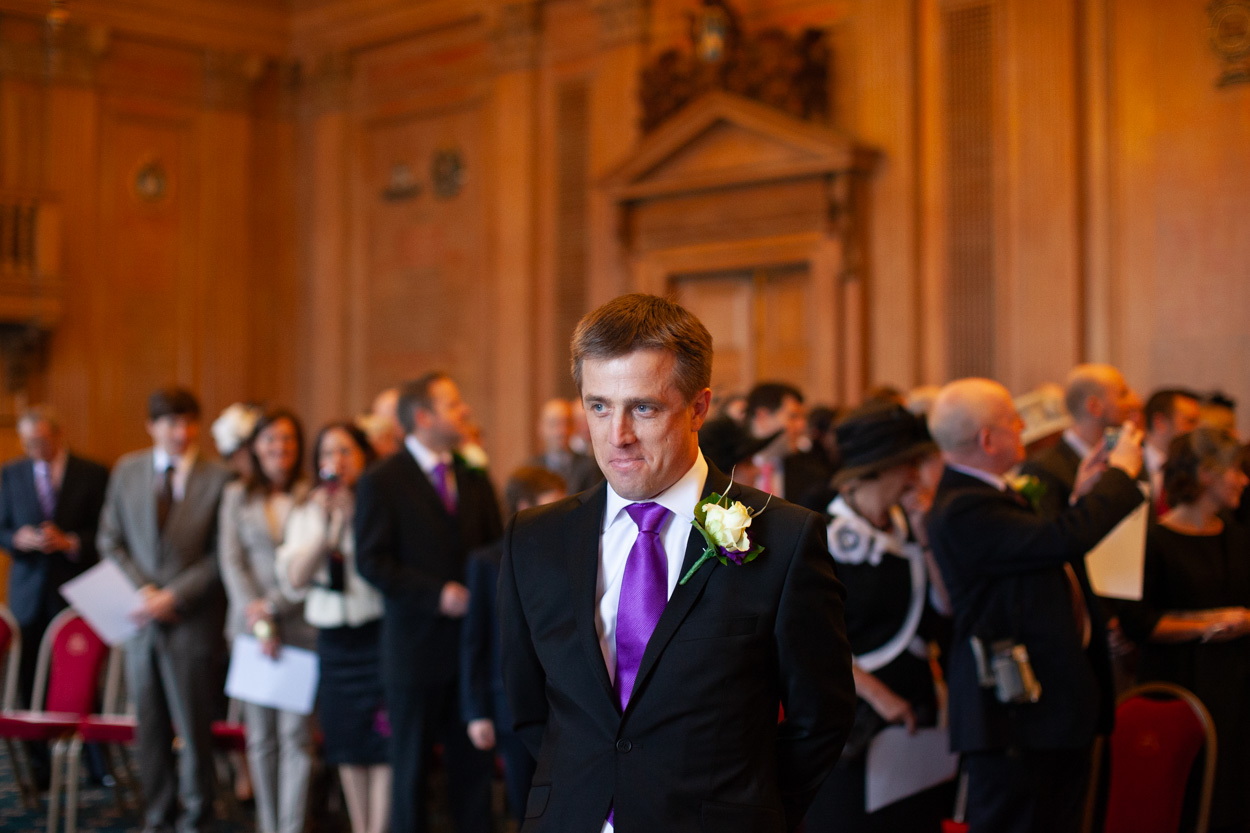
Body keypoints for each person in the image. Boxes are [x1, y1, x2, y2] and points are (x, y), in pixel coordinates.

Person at [498, 293, 855, 832]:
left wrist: (750, 815)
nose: (617, 435)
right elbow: (529, 709)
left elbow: (819, 719)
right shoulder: (535, 539)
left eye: (643, 408)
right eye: (598, 406)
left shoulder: (782, 538)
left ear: (698, 406)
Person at [924, 378, 1144, 833]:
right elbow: (1057, 540)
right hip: (1014, 714)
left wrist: (1083, 498)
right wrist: (1121, 476)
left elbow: (1038, 548)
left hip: (1044, 712)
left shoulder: (991, 495)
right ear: (987, 439)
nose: (1023, 426)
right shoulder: (964, 505)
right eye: (1013, 420)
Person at [354, 373, 503, 833]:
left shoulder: (473, 474)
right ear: (422, 416)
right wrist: (435, 594)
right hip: (414, 650)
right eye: (453, 405)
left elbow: (495, 547)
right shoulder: (382, 480)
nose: (465, 412)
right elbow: (371, 561)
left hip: (470, 651)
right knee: (411, 773)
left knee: (472, 773)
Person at [803, 401, 952, 832]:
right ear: (879, 467)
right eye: (909, 464)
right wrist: (881, 698)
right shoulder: (820, 534)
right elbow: (810, 640)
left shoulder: (912, 524)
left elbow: (948, 609)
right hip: (855, 726)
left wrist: (927, 537)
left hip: (915, 725)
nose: (916, 475)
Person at [98, 388, 232, 833]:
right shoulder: (128, 470)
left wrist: (172, 596)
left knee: (195, 729)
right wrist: (144, 593)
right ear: (151, 426)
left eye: (190, 422)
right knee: (149, 728)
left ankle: (196, 817)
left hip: (191, 619)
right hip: (140, 621)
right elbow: (109, 539)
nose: (182, 432)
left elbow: (219, 555)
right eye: (171, 423)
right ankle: (156, 815)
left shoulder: (219, 478)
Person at [1134, 427, 1250, 833]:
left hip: (1237, 687)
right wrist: (1210, 624)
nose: (1243, 479)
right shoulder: (1156, 541)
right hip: (1181, 683)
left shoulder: (1239, 539)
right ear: (1206, 474)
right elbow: (1141, 624)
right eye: (1235, 470)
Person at [277, 422, 389, 833]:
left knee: (382, 744)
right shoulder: (307, 510)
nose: (335, 462)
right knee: (347, 744)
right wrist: (325, 534)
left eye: (345, 452)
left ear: (363, 457)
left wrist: (354, 518)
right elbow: (293, 579)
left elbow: (384, 573)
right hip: (334, 643)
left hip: (377, 638)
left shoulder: (378, 506)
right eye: (327, 453)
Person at [0, 406, 109, 785]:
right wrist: (18, 538)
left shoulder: (92, 473)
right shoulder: (11, 473)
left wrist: (71, 542)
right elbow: (2, 528)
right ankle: (40, 768)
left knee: (83, 676)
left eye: (42, 441)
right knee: (30, 677)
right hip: (29, 590)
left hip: (75, 589)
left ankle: (98, 764)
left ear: (58, 434)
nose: (36, 448)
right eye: (29, 442)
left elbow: (107, 534)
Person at [218, 410, 316, 833]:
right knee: (260, 739)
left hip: (299, 627)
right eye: (271, 440)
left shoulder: (311, 494)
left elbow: (312, 568)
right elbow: (231, 561)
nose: (280, 448)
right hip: (249, 631)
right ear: (255, 447)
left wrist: (274, 608)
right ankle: (268, 824)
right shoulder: (237, 495)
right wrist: (259, 619)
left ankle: (291, 827)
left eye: (289, 440)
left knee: (296, 738)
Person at [460, 466, 565, 826]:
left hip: (562, 706)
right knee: (524, 804)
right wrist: (477, 711)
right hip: (508, 707)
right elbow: (475, 641)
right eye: (554, 503)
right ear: (525, 506)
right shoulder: (486, 562)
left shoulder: (570, 556)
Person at [527, 398, 603, 494]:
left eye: (567, 423)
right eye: (553, 424)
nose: (561, 431)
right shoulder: (531, 470)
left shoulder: (591, 467)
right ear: (541, 428)